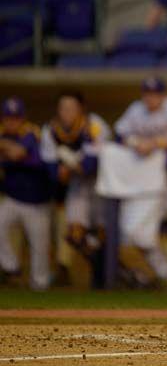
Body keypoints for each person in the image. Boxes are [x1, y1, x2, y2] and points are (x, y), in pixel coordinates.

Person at [114, 76, 167, 294]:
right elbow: (118, 134)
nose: (151, 98)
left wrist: (156, 143)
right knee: (135, 232)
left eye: (156, 94)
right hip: (151, 186)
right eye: (147, 94)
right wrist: (136, 142)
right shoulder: (136, 109)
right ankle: (164, 272)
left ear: (163, 95)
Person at [40, 92, 110, 286]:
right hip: (78, 186)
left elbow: (90, 165)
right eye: (63, 108)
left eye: (71, 108)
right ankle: (99, 267)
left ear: (81, 109)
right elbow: (53, 171)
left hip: (101, 184)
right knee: (74, 235)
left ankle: (107, 275)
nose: (66, 112)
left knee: (103, 232)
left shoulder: (94, 124)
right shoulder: (51, 129)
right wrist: (69, 166)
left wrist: (68, 162)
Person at [0, 97, 52, 290]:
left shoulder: (33, 133)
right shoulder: (3, 132)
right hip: (13, 199)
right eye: (8, 117)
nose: (11, 121)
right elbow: (15, 153)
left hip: (38, 202)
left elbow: (19, 153)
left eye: (16, 117)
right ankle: (11, 266)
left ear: (23, 118)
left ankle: (40, 288)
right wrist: (9, 148)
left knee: (39, 248)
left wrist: (5, 149)